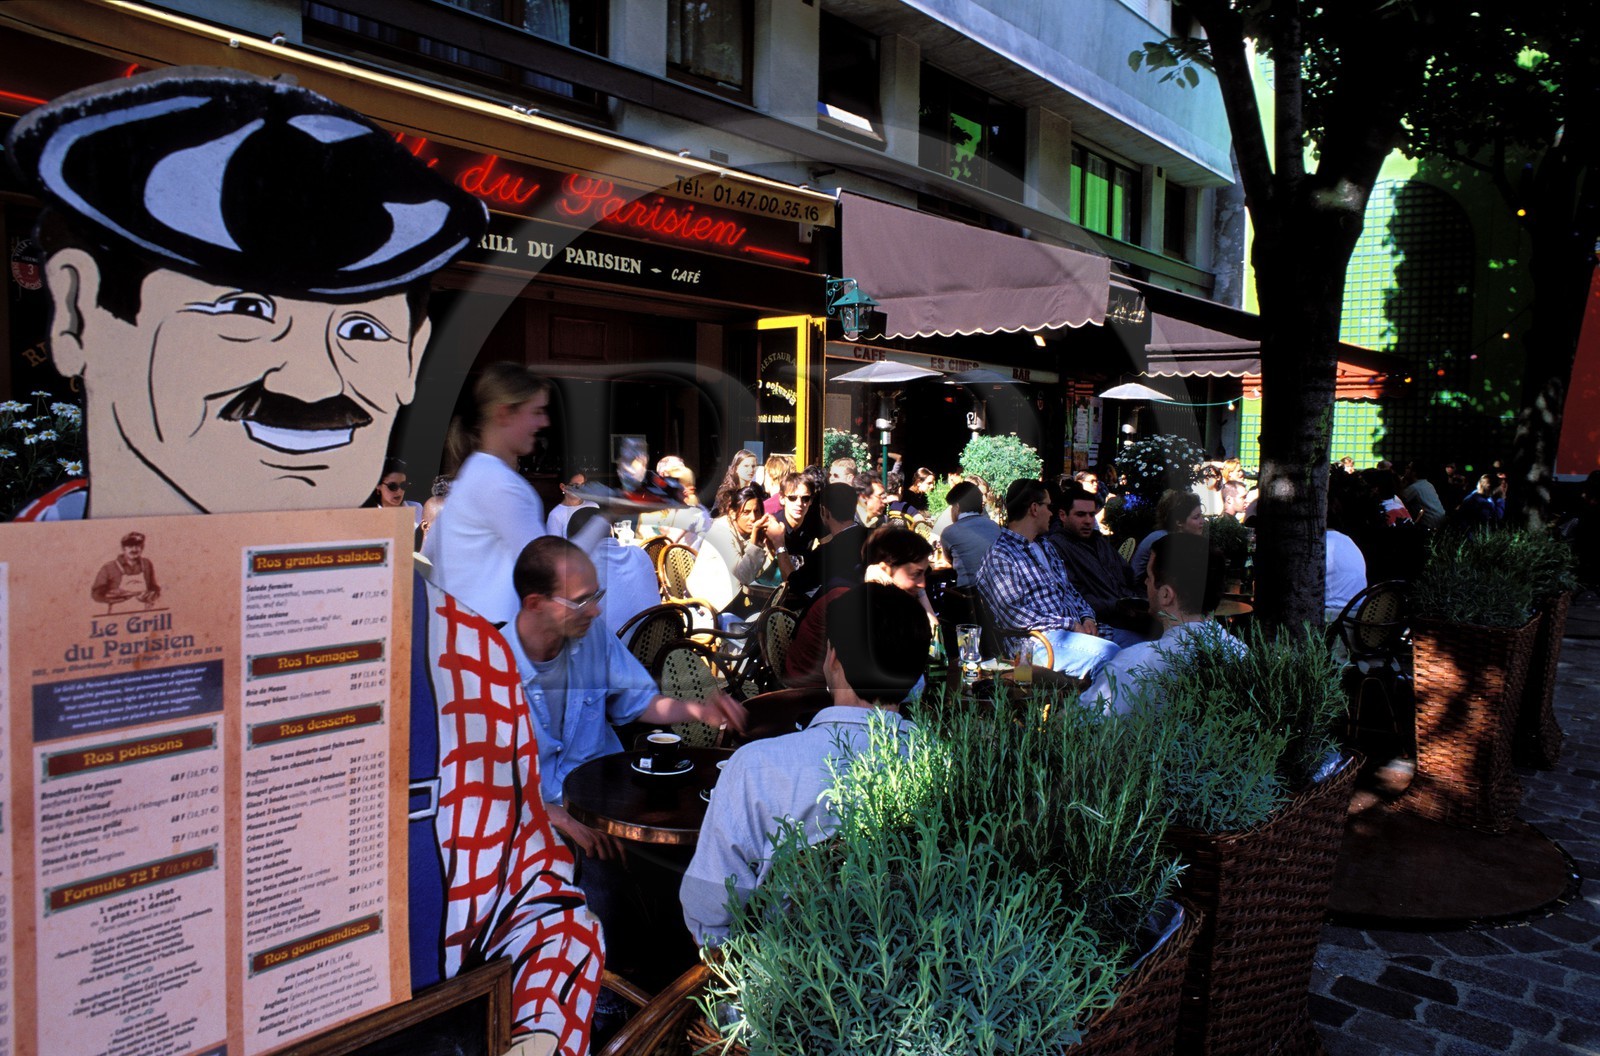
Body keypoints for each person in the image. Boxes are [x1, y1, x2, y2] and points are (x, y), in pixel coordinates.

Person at [9, 68, 599, 1054]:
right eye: (242, 309)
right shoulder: (8, 652)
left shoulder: (459, 658)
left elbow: (537, 908)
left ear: (410, 355)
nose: (313, 380)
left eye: (361, 329)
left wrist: (538, 1038)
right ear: (76, 315)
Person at [681, 584, 929, 945]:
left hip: (784, 971)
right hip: (914, 965)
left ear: (834, 658)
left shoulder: (756, 768)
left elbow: (709, 912)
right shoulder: (942, 764)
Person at [421, 362, 552, 626]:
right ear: (504, 414)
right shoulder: (500, 483)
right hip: (490, 637)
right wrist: (605, 516)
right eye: (536, 412)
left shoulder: (473, 471)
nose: (544, 422)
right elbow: (550, 573)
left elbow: (430, 557)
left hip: (463, 632)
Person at [1083, 533, 1242, 715]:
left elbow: (1079, 722)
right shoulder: (1242, 654)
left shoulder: (1131, 666)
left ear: (1166, 594)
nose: (1145, 582)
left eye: (1149, 577)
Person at [977, 479, 1119, 679]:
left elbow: (1069, 591)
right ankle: (1091, 700)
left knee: (1142, 645)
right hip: (1035, 645)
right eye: (1049, 506)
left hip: (1072, 635)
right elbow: (1013, 615)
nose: (1052, 513)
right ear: (1034, 508)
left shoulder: (1045, 546)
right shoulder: (1001, 555)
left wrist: (1087, 617)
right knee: (1111, 655)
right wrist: (1070, 624)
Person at [783, 526, 936, 689]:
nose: (922, 583)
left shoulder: (867, 585)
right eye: (916, 574)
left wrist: (920, 593)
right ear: (883, 569)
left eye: (924, 573)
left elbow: (934, 647)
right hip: (811, 694)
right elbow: (896, 668)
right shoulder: (849, 599)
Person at [1045, 484, 1147, 648]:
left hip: (1132, 618)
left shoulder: (1099, 541)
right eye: (1080, 514)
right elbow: (1075, 595)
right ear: (1063, 515)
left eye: (1091, 514)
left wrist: (1141, 602)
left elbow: (1129, 577)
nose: (1088, 521)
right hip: (1103, 624)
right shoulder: (1055, 547)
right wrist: (1118, 606)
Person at [686, 482, 793, 618]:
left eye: (757, 511)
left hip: (737, 601)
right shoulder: (721, 531)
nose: (753, 518)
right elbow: (744, 576)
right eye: (746, 512)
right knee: (765, 620)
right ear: (732, 513)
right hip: (709, 608)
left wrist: (772, 544)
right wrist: (755, 541)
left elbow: (763, 574)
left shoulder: (748, 533)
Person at [565, 506, 659, 646]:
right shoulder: (639, 553)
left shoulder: (581, 569)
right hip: (657, 644)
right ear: (612, 531)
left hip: (614, 651)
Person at [784, 481, 864, 598]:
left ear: (824, 511)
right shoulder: (874, 537)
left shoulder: (825, 554)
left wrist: (779, 546)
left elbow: (793, 584)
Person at [1130, 490, 1206, 584]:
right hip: (1139, 590)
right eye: (1196, 517)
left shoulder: (1174, 538)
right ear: (1179, 522)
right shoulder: (1165, 540)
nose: (1202, 521)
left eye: (1201, 515)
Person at [939, 481, 1001, 589]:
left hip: (966, 595)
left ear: (957, 506)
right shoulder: (995, 527)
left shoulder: (949, 532)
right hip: (995, 591)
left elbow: (949, 560)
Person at [91, 531, 161, 612]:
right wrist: (112, 595)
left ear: (142, 547)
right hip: (118, 613)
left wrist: (152, 595)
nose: (134, 549)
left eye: (138, 546)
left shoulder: (147, 564)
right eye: (130, 546)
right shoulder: (109, 567)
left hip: (145, 612)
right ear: (123, 548)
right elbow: (96, 594)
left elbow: (154, 587)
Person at [368, 456, 424, 529]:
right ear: (378, 485)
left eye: (403, 485)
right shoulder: (369, 518)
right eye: (393, 486)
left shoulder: (418, 510)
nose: (399, 491)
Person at [547, 469, 600, 539]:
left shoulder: (593, 506)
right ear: (563, 487)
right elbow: (554, 544)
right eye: (576, 486)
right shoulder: (555, 515)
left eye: (583, 485)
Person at [711, 449, 761, 518]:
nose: (751, 470)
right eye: (746, 466)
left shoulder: (756, 489)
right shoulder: (727, 491)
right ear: (736, 468)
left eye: (753, 466)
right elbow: (715, 515)